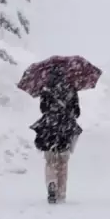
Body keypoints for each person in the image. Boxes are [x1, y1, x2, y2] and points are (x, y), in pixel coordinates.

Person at [29, 66, 82, 204]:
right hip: (65, 129)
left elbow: (43, 109)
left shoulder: (46, 90)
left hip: (49, 130)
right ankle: (61, 192)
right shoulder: (71, 89)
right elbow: (77, 112)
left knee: (50, 161)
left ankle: (51, 183)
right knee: (63, 163)